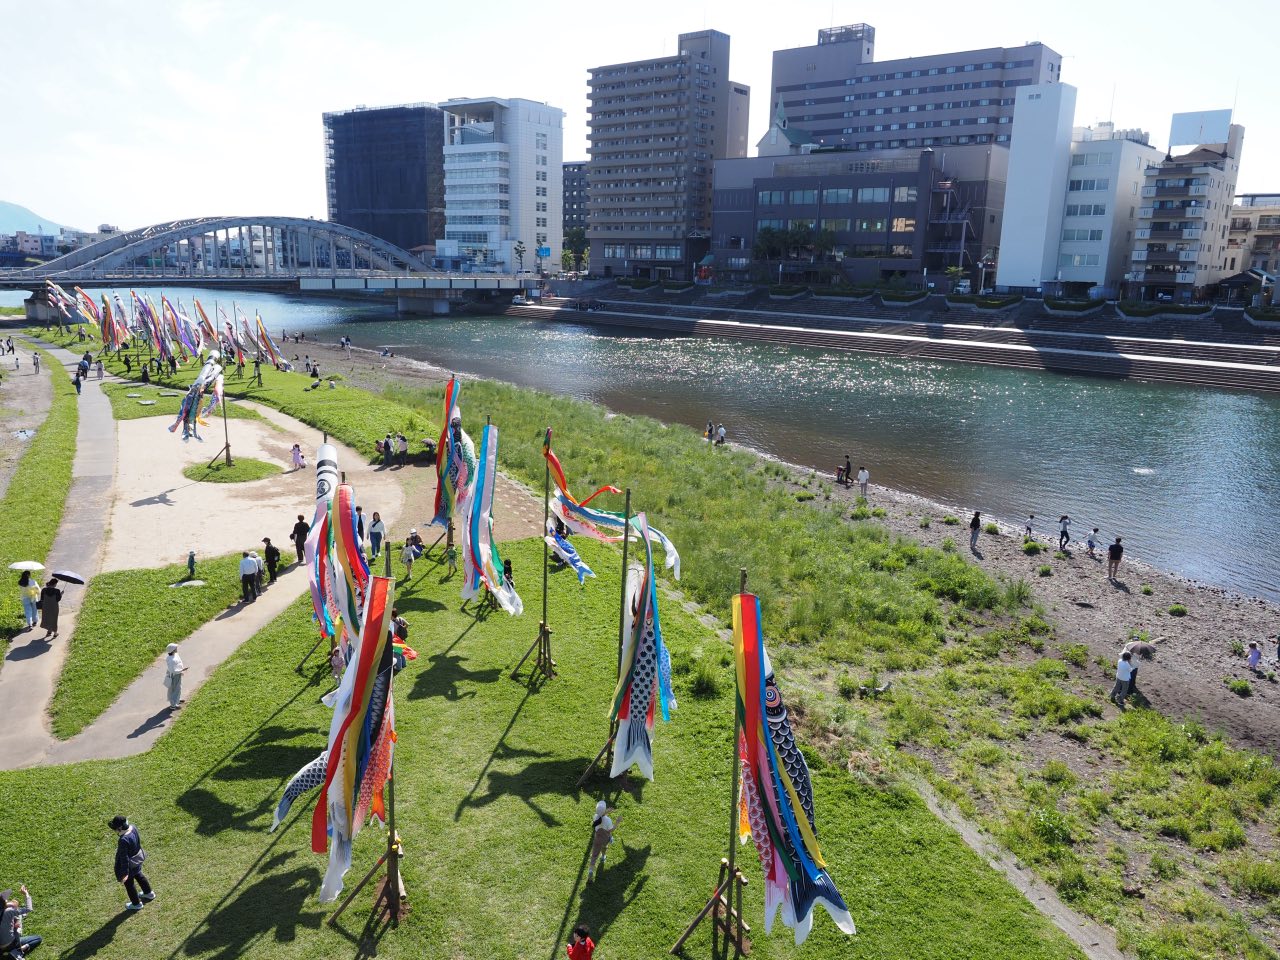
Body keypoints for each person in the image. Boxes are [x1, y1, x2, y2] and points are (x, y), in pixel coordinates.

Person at [109, 816, 155, 911]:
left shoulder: (123, 840)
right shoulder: (133, 827)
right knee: (139, 875)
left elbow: (124, 858)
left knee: (129, 884)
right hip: (137, 860)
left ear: (120, 828)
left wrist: (125, 874)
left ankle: (136, 904)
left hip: (129, 865)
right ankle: (148, 893)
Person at [0, 884, 39, 958]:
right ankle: (18, 950)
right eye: (5, 899)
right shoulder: (8, 912)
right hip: (9, 944)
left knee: (16, 918)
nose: (7, 899)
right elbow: (29, 909)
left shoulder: (7, 911)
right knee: (37, 938)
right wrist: (26, 894)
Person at [587, 800, 620, 881]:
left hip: (597, 839)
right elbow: (611, 830)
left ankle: (591, 871)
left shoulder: (595, 817)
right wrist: (617, 822)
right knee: (604, 847)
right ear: (605, 809)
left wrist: (606, 812)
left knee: (594, 856)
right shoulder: (608, 820)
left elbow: (600, 816)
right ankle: (602, 857)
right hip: (605, 839)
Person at [164, 643, 186, 710]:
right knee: (175, 689)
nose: (176, 649)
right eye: (175, 648)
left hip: (177, 674)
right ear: (172, 650)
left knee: (178, 688)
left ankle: (177, 700)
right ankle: (173, 705)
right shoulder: (171, 660)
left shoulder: (174, 655)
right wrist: (181, 670)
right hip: (175, 675)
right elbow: (173, 670)